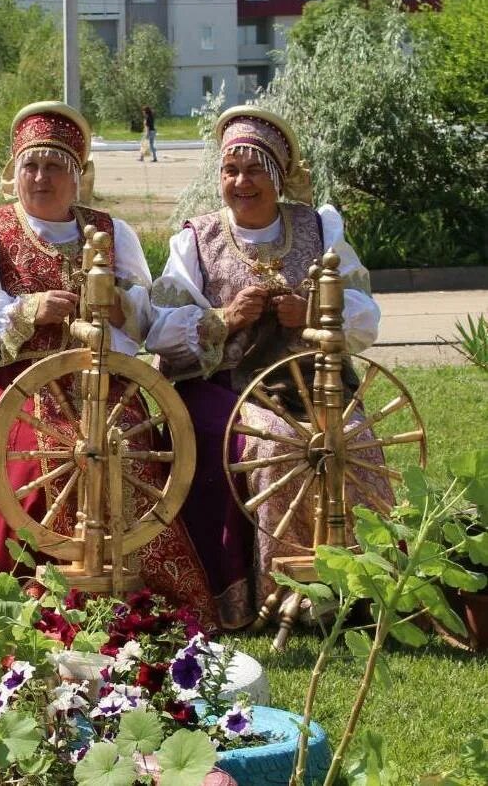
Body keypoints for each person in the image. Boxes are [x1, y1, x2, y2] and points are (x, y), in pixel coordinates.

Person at [0, 100, 216, 625]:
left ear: (79, 177)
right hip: (15, 379)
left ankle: (131, 587)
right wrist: (26, 310)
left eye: (56, 166)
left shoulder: (110, 232)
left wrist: (117, 305)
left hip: (98, 374)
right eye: (31, 165)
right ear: (14, 174)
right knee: (45, 451)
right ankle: (28, 590)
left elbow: (143, 317)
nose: (41, 177)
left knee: (125, 440)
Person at [146, 106, 387, 629]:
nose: (242, 182)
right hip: (227, 391)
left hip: (315, 386)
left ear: (278, 176)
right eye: (231, 171)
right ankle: (284, 594)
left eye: (254, 169)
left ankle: (367, 588)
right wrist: (223, 320)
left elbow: (367, 313)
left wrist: (317, 314)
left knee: (356, 441)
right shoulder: (195, 240)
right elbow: (159, 327)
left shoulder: (319, 227)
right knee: (280, 442)